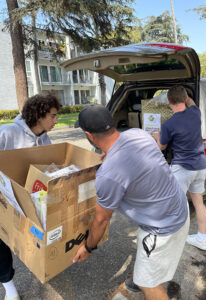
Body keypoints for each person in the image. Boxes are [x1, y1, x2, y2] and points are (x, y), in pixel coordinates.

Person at [72, 104, 189, 300]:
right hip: (178, 206)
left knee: (147, 283)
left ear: (89, 135)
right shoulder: (138, 134)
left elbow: (101, 220)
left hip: (162, 228)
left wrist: (88, 247)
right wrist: (112, 155)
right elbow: (137, 152)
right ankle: (145, 273)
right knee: (147, 264)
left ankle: (146, 280)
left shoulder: (108, 175)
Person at [0, 93, 61, 300]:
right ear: (39, 114)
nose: (56, 121)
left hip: (32, 197)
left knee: (31, 237)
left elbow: (50, 164)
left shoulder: (44, 137)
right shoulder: (7, 133)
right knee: (1, 242)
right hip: (5, 198)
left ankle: (41, 266)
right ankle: (10, 288)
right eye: (52, 116)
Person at [152, 85, 206, 251]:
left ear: (169, 102)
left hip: (183, 169)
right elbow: (191, 103)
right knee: (199, 203)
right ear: (185, 99)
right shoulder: (195, 113)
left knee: (172, 205)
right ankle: (202, 238)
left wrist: (156, 136)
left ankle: (168, 243)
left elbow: (161, 147)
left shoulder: (169, 124)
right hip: (200, 166)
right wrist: (186, 96)